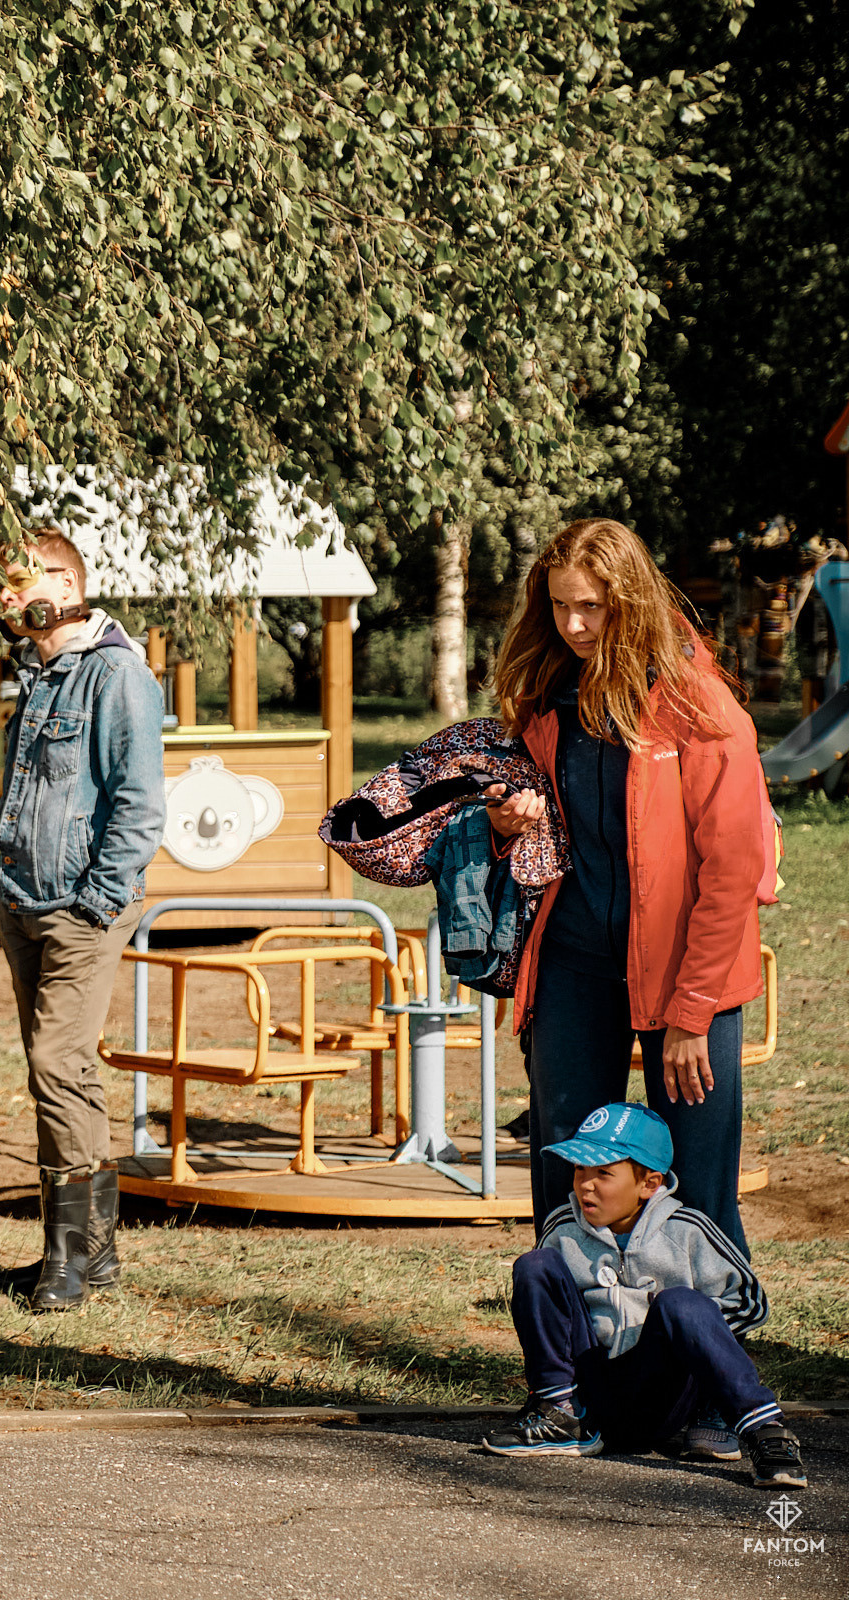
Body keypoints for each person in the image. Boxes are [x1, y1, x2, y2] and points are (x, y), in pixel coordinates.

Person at [484, 518, 771, 1258]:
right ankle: (576, 1350)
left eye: (592, 607)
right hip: (573, 964)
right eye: (558, 606)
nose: (573, 625)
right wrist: (507, 821)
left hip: (688, 973)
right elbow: (521, 829)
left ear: (632, 600)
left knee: (695, 1184)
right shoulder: (545, 699)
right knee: (571, 1170)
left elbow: (733, 869)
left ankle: (710, 1347)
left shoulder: (700, 707)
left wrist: (695, 1010)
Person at [0, 528, 167, 1312]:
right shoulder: (38, 672)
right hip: (22, 901)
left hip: (82, 908)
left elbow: (140, 805)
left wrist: (96, 901)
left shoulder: (115, 674)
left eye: (13, 581)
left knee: (56, 1066)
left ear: (60, 583)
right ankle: (88, 1258)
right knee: (66, 1075)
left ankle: (68, 1262)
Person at [483, 1102, 806, 1488]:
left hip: (662, 1394)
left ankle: (764, 1431)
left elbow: (749, 1303)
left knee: (680, 1304)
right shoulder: (563, 1228)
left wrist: (689, 1336)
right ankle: (559, 1414)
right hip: (590, 1391)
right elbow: (551, 1311)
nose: (585, 1184)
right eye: (579, 1169)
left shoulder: (688, 1230)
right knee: (535, 1266)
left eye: (603, 1173)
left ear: (649, 1184)